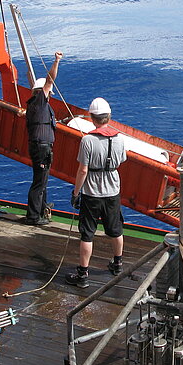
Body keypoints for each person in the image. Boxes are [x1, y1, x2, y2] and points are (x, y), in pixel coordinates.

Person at [65, 97, 127, 288]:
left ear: (92, 117)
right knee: (115, 229)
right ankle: (117, 264)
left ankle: (83, 274)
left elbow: (83, 170)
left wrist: (76, 193)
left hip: (91, 192)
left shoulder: (87, 140)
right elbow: (121, 161)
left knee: (87, 233)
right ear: (109, 116)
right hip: (112, 190)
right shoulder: (120, 139)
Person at [22, 51, 63, 226]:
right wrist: (56, 61)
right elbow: (50, 80)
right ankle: (33, 216)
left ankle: (40, 210)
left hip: (39, 146)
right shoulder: (39, 101)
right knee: (39, 182)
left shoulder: (34, 105)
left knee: (41, 180)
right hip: (41, 147)